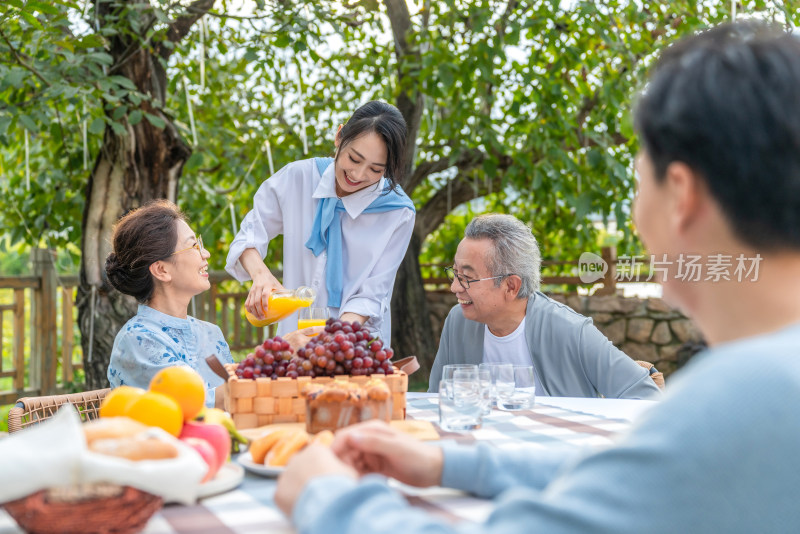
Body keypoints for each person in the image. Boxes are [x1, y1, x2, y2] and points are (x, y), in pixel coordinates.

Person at [275, 22, 800, 533]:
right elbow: (625, 479)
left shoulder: (747, 397)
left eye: (640, 179)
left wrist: (327, 498)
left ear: (681, 195)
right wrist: (446, 465)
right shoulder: (768, 384)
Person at [225, 101, 415, 343]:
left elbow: (372, 294)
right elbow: (249, 235)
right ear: (339, 136)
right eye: (354, 159)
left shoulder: (398, 212)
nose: (358, 175)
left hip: (354, 345)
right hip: (293, 341)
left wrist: (330, 341)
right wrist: (261, 275)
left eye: (376, 170)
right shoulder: (298, 178)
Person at [427, 213, 661, 399]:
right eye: (455, 273)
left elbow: (645, 398)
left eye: (467, 277)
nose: (454, 287)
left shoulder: (570, 331)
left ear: (511, 286)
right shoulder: (458, 322)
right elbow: (435, 400)